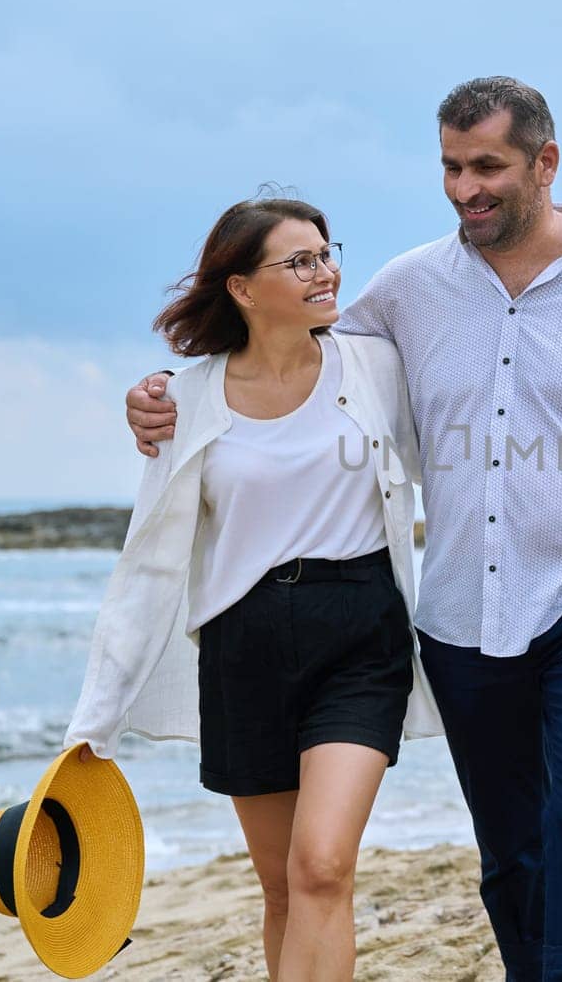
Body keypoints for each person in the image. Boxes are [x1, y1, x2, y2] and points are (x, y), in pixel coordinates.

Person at [127, 78, 562, 982]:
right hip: (467, 615)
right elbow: (286, 358)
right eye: (451, 166)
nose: (466, 186)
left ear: (546, 164)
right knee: (511, 846)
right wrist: (162, 399)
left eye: (488, 167)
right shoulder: (409, 289)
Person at [68, 196, 442, 982]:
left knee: (323, 866)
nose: (324, 270)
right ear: (240, 287)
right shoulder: (186, 397)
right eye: (298, 260)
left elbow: (456, 448)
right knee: (280, 887)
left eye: (326, 252)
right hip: (244, 647)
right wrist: (94, 719)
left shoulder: (375, 366)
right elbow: (150, 563)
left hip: (359, 633)